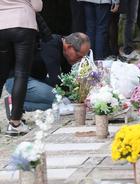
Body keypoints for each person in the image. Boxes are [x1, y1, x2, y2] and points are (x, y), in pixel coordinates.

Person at [5, 32, 90, 115]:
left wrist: (79, 95)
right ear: (69, 47)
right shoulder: (51, 43)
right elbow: (55, 79)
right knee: (58, 99)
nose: (80, 60)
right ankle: (15, 104)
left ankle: (15, 105)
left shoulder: (65, 52)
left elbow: (66, 80)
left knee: (57, 104)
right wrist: (71, 97)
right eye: (79, 56)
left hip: (37, 79)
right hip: (17, 81)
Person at [0, 0, 43, 136]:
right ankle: (15, 123)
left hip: (1, 25)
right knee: (21, 74)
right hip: (23, 24)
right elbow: (37, 6)